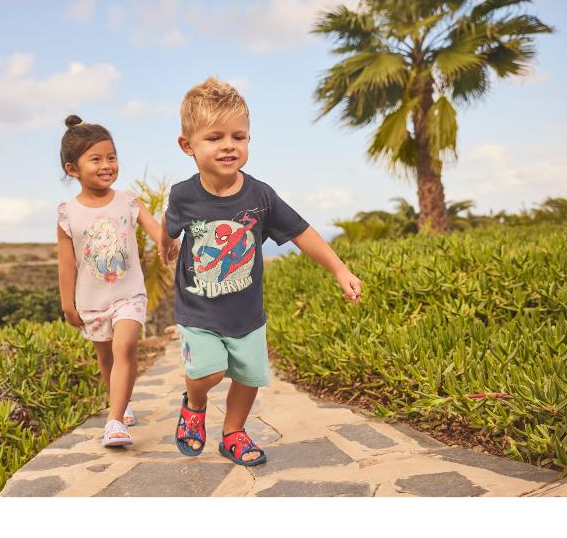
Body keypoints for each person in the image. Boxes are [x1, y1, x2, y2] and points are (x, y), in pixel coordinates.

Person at [158, 78, 363, 465]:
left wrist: (339, 269)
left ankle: (233, 433)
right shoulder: (183, 194)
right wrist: (167, 242)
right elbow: (172, 225)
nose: (229, 145)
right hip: (198, 311)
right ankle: (195, 404)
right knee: (209, 371)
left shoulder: (261, 196)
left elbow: (302, 232)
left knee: (248, 377)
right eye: (215, 137)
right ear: (188, 146)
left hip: (247, 315)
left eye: (239, 136)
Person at [56, 115, 179, 447]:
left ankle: (114, 423)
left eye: (111, 157)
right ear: (73, 169)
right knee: (106, 358)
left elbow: (158, 233)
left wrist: (171, 245)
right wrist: (67, 304)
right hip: (91, 300)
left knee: (124, 347)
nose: (107, 165)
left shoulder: (127, 201)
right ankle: (120, 406)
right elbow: (67, 264)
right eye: (96, 159)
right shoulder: (68, 213)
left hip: (129, 294)